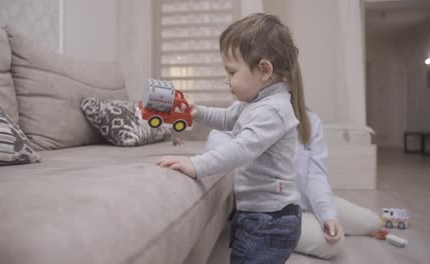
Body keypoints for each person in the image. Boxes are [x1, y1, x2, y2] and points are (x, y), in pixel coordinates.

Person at [156, 13, 303, 263]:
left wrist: (196, 165)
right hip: (257, 215)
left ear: (264, 70)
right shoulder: (254, 102)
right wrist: (198, 112)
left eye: (232, 72)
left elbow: (241, 149)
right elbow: (227, 118)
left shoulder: (273, 110)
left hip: (269, 221)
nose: (226, 80)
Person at [206, 102, 382, 259]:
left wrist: (327, 215)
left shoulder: (309, 120)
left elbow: (316, 175)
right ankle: (299, 228)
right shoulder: (244, 114)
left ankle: (318, 218)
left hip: (308, 201)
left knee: (373, 222)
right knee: (334, 244)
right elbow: (217, 146)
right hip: (279, 213)